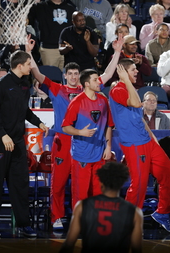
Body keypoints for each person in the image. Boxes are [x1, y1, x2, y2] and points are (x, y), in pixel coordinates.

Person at [27, 35, 123, 230]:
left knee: (89, 185)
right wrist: (29, 52)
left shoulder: (89, 90)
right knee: (59, 182)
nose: (72, 76)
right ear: (64, 76)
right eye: (69, 73)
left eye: (75, 73)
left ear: (80, 77)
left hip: (87, 144)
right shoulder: (56, 89)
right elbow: (37, 74)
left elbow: (107, 73)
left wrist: (118, 51)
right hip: (63, 141)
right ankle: (56, 216)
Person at [0, 50, 49, 237]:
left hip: (18, 142)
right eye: (29, 64)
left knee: (20, 185)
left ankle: (23, 224)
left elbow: (25, 110)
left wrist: (39, 122)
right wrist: (3, 135)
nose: (31, 67)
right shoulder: (1, 86)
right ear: (20, 65)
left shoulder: (24, 84)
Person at [109, 59, 170, 233]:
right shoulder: (117, 90)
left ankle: (163, 212)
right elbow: (136, 103)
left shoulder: (130, 88)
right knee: (139, 183)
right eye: (132, 70)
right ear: (123, 72)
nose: (136, 72)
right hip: (134, 144)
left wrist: (152, 136)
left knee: (169, 171)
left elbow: (139, 116)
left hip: (146, 141)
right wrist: (124, 80)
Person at [59, 162, 143, 253]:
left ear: (101, 181)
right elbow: (136, 249)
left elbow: (69, 244)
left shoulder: (82, 206)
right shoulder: (135, 212)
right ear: (122, 183)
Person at [61, 69, 114, 210]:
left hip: (99, 154)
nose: (99, 82)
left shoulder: (103, 100)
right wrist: (80, 132)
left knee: (98, 193)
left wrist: (108, 147)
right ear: (87, 84)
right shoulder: (77, 102)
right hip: (81, 154)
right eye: (95, 80)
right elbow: (65, 127)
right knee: (80, 193)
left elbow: (109, 125)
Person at [28, 0, 76, 70]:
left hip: (67, 50)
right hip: (48, 50)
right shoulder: (40, 7)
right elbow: (27, 19)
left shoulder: (71, 8)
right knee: (50, 78)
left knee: (67, 78)